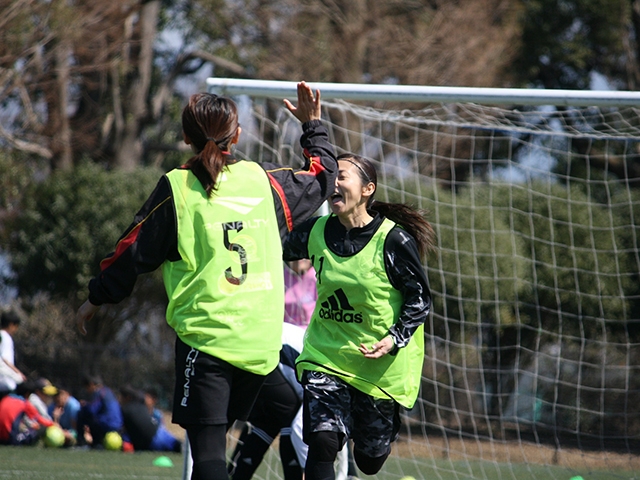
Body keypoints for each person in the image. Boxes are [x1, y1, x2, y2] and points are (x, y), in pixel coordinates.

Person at [75, 81, 337, 480]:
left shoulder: (178, 188)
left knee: (210, 454)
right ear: (237, 135)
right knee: (278, 406)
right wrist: (313, 125)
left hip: (208, 340)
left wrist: (97, 296)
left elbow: (133, 249)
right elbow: (322, 177)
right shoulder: (262, 181)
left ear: (184, 137)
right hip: (260, 344)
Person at [283, 153, 435, 480]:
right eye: (331, 177)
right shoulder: (317, 231)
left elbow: (420, 297)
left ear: (367, 189)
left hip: (378, 367)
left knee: (369, 461)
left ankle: (371, 441)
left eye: (342, 177)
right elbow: (273, 245)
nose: (334, 184)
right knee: (322, 441)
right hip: (327, 355)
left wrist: (394, 339)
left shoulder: (393, 240)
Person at [228, 322, 306, 480]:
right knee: (289, 415)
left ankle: (236, 476)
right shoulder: (328, 389)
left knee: (268, 422)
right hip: (259, 349)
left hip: (254, 345)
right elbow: (298, 429)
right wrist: (310, 468)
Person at [119, 385, 182, 452]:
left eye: (121, 397)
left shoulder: (126, 410)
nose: (119, 399)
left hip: (154, 440)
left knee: (177, 448)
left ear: (128, 397)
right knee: (179, 446)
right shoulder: (139, 404)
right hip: (160, 432)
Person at [76, 374, 123, 448]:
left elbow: (92, 410)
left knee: (81, 414)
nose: (87, 391)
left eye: (87, 387)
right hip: (118, 425)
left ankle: (83, 443)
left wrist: (85, 405)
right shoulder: (108, 391)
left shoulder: (98, 392)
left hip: (108, 424)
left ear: (91, 384)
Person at [0, 310, 26, 393]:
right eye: (16, 327)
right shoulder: (6, 337)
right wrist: (18, 373)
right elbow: (5, 359)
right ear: (11, 325)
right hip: (5, 382)